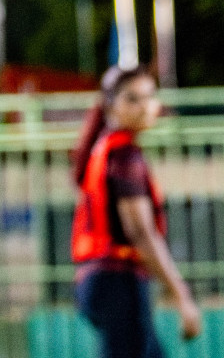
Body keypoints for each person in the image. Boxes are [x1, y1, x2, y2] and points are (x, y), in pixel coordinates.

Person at [71, 65, 202, 357]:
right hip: (117, 280)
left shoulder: (107, 150)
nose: (144, 107)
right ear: (111, 106)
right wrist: (182, 296)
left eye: (149, 96)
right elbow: (141, 233)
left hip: (103, 280)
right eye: (133, 99)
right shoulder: (123, 156)